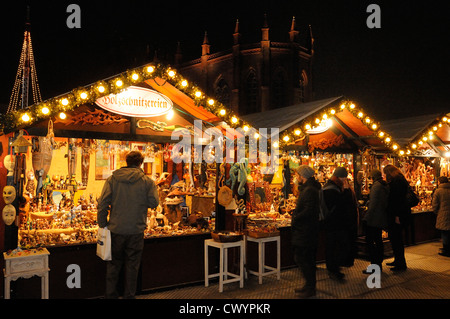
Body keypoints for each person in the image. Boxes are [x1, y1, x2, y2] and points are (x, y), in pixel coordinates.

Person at [97, 151, 159, 298]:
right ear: (140, 163)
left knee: (113, 265)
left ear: (126, 162)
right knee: (132, 266)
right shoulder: (147, 182)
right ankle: (129, 296)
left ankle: (110, 295)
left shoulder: (113, 179)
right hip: (136, 230)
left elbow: (103, 204)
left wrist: (103, 224)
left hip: (116, 229)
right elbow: (154, 202)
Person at [322, 166, 358, 280]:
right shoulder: (331, 189)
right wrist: (346, 191)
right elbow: (342, 204)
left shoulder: (333, 187)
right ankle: (333, 269)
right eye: (343, 177)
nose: (344, 180)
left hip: (336, 223)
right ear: (338, 177)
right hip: (334, 223)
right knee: (335, 246)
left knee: (336, 246)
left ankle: (334, 268)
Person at [291, 165, 321, 298]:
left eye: (297, 174)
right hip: (306, 229)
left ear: (302, 176)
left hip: (306, 230)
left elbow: (309, 210)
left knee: (303, 258)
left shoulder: (309, 190)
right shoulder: (309, 188)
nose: (296, 177)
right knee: (306, 258)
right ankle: (309, 286)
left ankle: (310, 287)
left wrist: (296, 217)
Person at [383, 164, 409, 271]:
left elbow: (397, 200)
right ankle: (398, 260)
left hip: (397, 215)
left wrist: (397, 215)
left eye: (385, 174)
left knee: (396, 239)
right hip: (399, 213)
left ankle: (400, 263)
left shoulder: (397, 182)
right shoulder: (400, 180)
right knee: (396, 239)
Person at [362, 169, 389, 273]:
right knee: (378, 241)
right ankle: (378, 264)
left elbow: (373, 205)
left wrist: (366, 217)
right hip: (381, 217)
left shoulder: (376, 186)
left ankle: (374, 265)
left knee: (370, 241)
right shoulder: (385, 185)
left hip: (374, 218)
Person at [432, 176, 450, 257]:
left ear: (439, 182)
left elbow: (435, 204)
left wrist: (436, 212)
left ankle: (446, 250)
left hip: (443, 214)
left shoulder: (438, 191)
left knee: (444, 233)